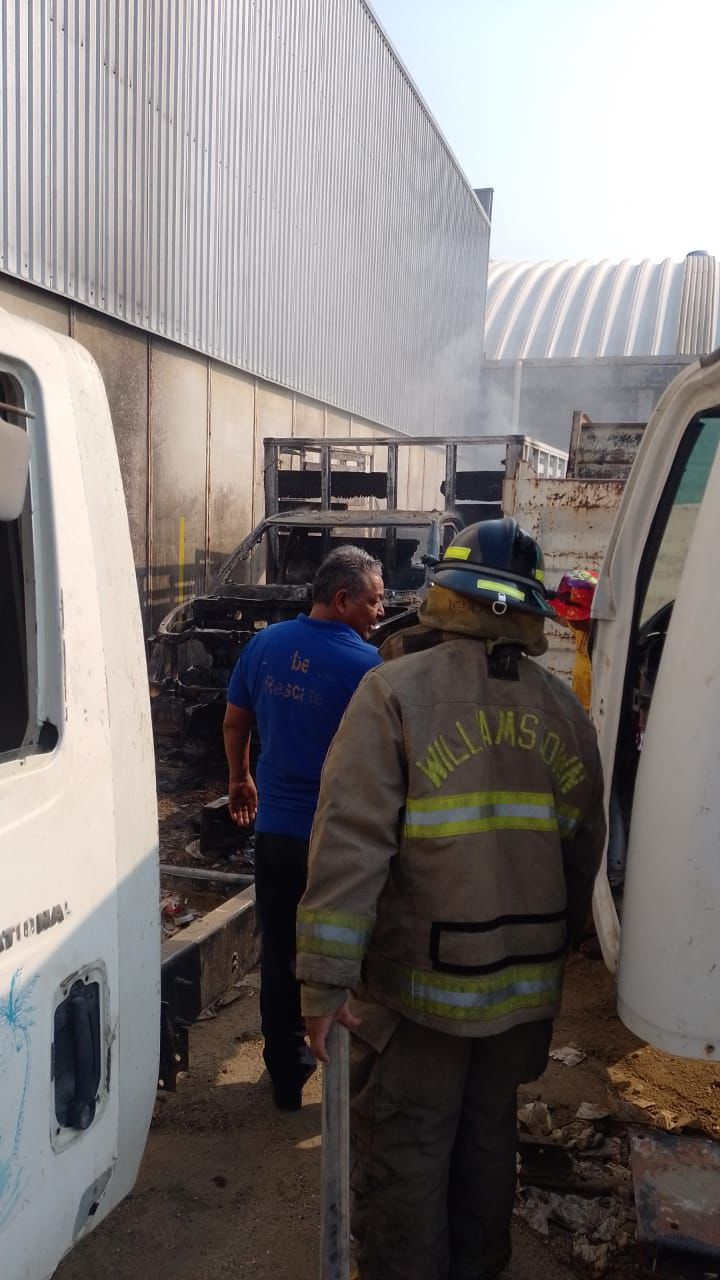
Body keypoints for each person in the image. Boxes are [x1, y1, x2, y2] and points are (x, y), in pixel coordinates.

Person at [295, 518, 606, 1280]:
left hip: (418, 998)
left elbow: (350, 846)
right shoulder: (567, 716)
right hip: (521, 993)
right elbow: (583, 852)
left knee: (408, 1153)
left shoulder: (394, 693)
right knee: (487, 1144)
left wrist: (324, 981)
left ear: (444, 591)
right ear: (530, 609)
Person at [223, 545, 384, 1111]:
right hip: (338, 841)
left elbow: (236, 719)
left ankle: (286, 1077)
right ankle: (345, 1071)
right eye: (373, 601)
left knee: (281, 951)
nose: (379, 613)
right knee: (343, 952)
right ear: (341, 600)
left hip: (276, 836)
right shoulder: (369, 669)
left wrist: (240, 778)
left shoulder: (264, 645)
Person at [551, 568, 598, 713]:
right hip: (579, 704)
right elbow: (563, 619)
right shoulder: (580, 626)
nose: (573, 622)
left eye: (577, 618)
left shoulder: (604, 636)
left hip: (596, 707)